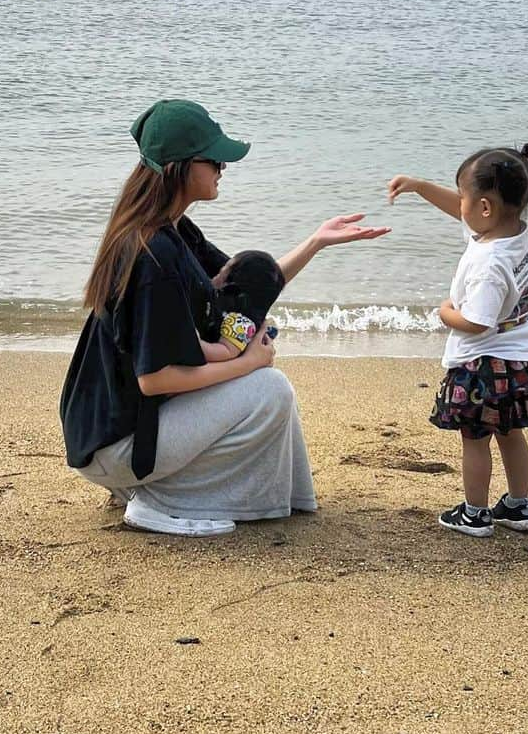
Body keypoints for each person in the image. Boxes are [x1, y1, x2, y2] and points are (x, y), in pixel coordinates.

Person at [60, 99, 390, 537]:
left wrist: (315, 243)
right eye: (214, 159)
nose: (222, 168)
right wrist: (247, 363)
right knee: (268, 388)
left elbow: (244, 294)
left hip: (124, 428)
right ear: (180, 167)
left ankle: (162, 489)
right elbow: (155, 380)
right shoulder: (152, 256)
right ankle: (162, 502)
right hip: (118, 444)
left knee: (261, 384)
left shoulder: (172, 231)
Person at [387, 144, 528, 538]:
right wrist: (420, 187)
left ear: (483, 208)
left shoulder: (488, 262)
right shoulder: (511, 232)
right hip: (521, 357)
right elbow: (463, 209)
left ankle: (475, 512)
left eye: (463, 197)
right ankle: (518, 505)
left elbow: (477, 322)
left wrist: (445, 311)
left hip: (484, 364)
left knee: (475, 437)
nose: (458, 205)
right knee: (510, 433)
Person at [199, 250, 285, 361]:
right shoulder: (235, 307)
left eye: (222, 271)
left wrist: (197, 343)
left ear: (231, 285)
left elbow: (226, 351)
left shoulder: (239, 323)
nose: (217, 275)